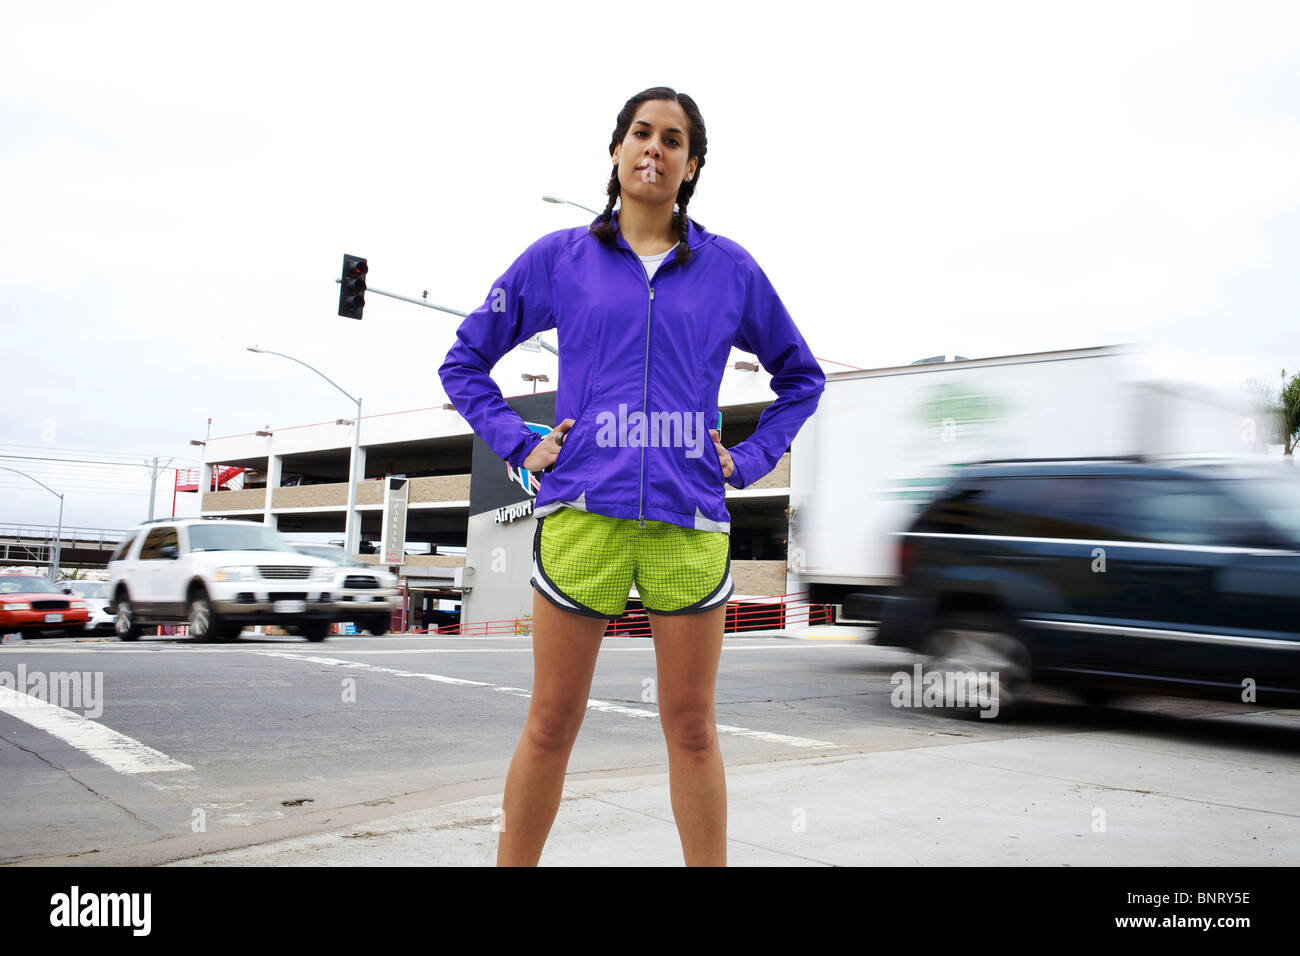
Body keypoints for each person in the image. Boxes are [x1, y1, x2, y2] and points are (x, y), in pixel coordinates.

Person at [438, 87, 825, 866]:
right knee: (551, 720)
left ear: (692, 166)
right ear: (616, 151)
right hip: (584, 511)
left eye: (673, 140)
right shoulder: (560, 260)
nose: (654, 149)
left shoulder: (730, 271)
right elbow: (465, 360)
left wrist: (744, 462)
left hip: (688, 519)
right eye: (641, 133)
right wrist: (519, 444)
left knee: (690, 727)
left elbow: (801, 378)